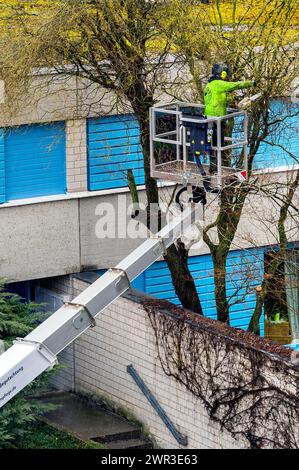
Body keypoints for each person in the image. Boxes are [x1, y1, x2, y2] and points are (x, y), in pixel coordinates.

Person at [203, 64, 254, 173]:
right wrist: (250, 83)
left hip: (208, 118)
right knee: (218, 143)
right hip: (217, 119)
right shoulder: (218, 84)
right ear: (221, 73)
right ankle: (216, 166)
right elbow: (234, 85)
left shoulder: (209, 85)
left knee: (210, 142)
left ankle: (213, 166)